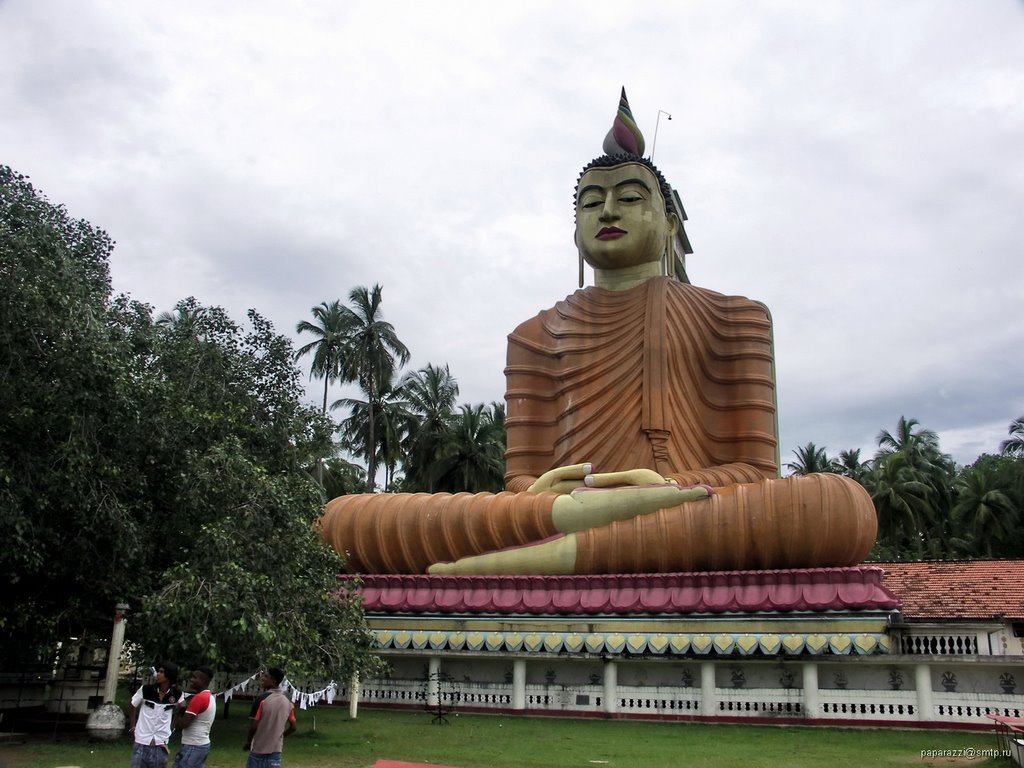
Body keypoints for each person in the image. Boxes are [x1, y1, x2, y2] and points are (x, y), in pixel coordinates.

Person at [317, 89, 877, 575]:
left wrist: (662, 490)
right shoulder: (534, 334)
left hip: (688, 506)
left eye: (630, 197)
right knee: (346, 519)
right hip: (560, 513)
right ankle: (593, 542)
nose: (608, 209)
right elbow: (520, 485)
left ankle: (554, 556)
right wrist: (558, 502)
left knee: (836, 506)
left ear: (670, 222)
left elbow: (756, 473)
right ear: (575, 224)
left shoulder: (735, 316)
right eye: (591, 201)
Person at [128, 662, 184, 768]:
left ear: (169, 675)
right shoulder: (146, 690)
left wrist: (173, 726)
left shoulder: (177, 694)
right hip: (142, 741)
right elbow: (132, 705)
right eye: (158, 671)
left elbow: (181, 709)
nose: (158, 674)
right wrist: (132, 726)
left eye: (162, 672)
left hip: (161, 743)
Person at [243, 668, 296, 768]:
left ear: (274, 681)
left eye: (266, 676)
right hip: (276, 752)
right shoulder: (288, 701)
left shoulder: (262, 699)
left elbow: (253, 726)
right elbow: (293, 727)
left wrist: (249, 742)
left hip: (258, 750)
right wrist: (280, 736)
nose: (262, 678)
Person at [171, 666, 216, 768]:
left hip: (192, 746)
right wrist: (184, 710)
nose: (191, 680)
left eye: (194, 677)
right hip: (202, 745)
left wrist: (177, 712)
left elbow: (184, 724)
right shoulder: (209, 696)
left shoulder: (198, 698)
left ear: (202, 680)